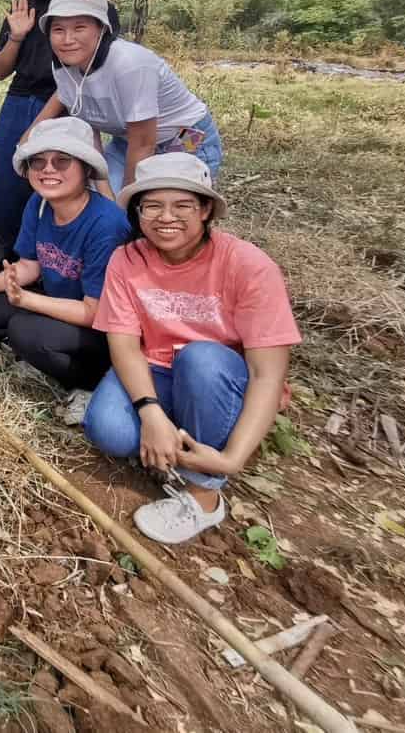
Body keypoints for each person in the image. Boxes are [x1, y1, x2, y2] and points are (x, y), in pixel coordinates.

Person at [83, 155, 300, 544]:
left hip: (217, 375)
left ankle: (204, 493)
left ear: (205, 210)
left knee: (200, 358)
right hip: (159, 370)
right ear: (138, 212)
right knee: (108, 431)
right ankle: (175, 438)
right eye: (152, 206)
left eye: (182, 205)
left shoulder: (248, 265)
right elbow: (125, 345)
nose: (167, 217)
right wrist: (150, 414)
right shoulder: (127, 259)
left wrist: (233, 459)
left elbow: (268, 373)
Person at [0, 117, 131, 422]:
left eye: (62, 161)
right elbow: (30, 264)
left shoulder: (106, 224)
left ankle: (89, 384)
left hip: (100, 328)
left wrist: (27, 301)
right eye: (38, 162)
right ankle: (39, 351)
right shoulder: (39, 204)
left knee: (24, 331)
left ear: (87, 169)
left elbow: (96, 312)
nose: (48, 170)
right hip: (58, 304)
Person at [0, 0, 119, 251]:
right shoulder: (25, 7)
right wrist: (17, 35)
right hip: (19, 102)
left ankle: (54, 262)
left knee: (63, 184)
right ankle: (2, 259)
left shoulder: (96, 7)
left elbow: (93, 71)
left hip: (70, 105)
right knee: (7, 184)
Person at [28, 0, 223, 196]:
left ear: (101, 29)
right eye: (58, 29)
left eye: (79, 27)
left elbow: (143, 143)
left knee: (165, 205)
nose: (67, 39)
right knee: (95, 198)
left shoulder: (130, 65)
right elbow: (89, 128)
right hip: (127, 142)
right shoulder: (64, 67)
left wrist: (125, 202)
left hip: (184, 137)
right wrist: (102, 189)